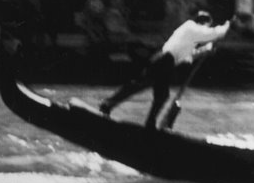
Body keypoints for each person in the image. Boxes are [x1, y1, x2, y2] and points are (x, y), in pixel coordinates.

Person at [98, 11, 231, 129]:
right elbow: (214, 33)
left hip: (166, 62)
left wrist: (204, 50)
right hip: (164, 60)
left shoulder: (189, 38)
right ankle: (108, 104)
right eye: (207, 26)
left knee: (159, 94)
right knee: (140, 85)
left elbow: (186, 57)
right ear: (203, 23)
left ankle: (149, 123)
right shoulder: (191, 27)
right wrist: (227, 26)